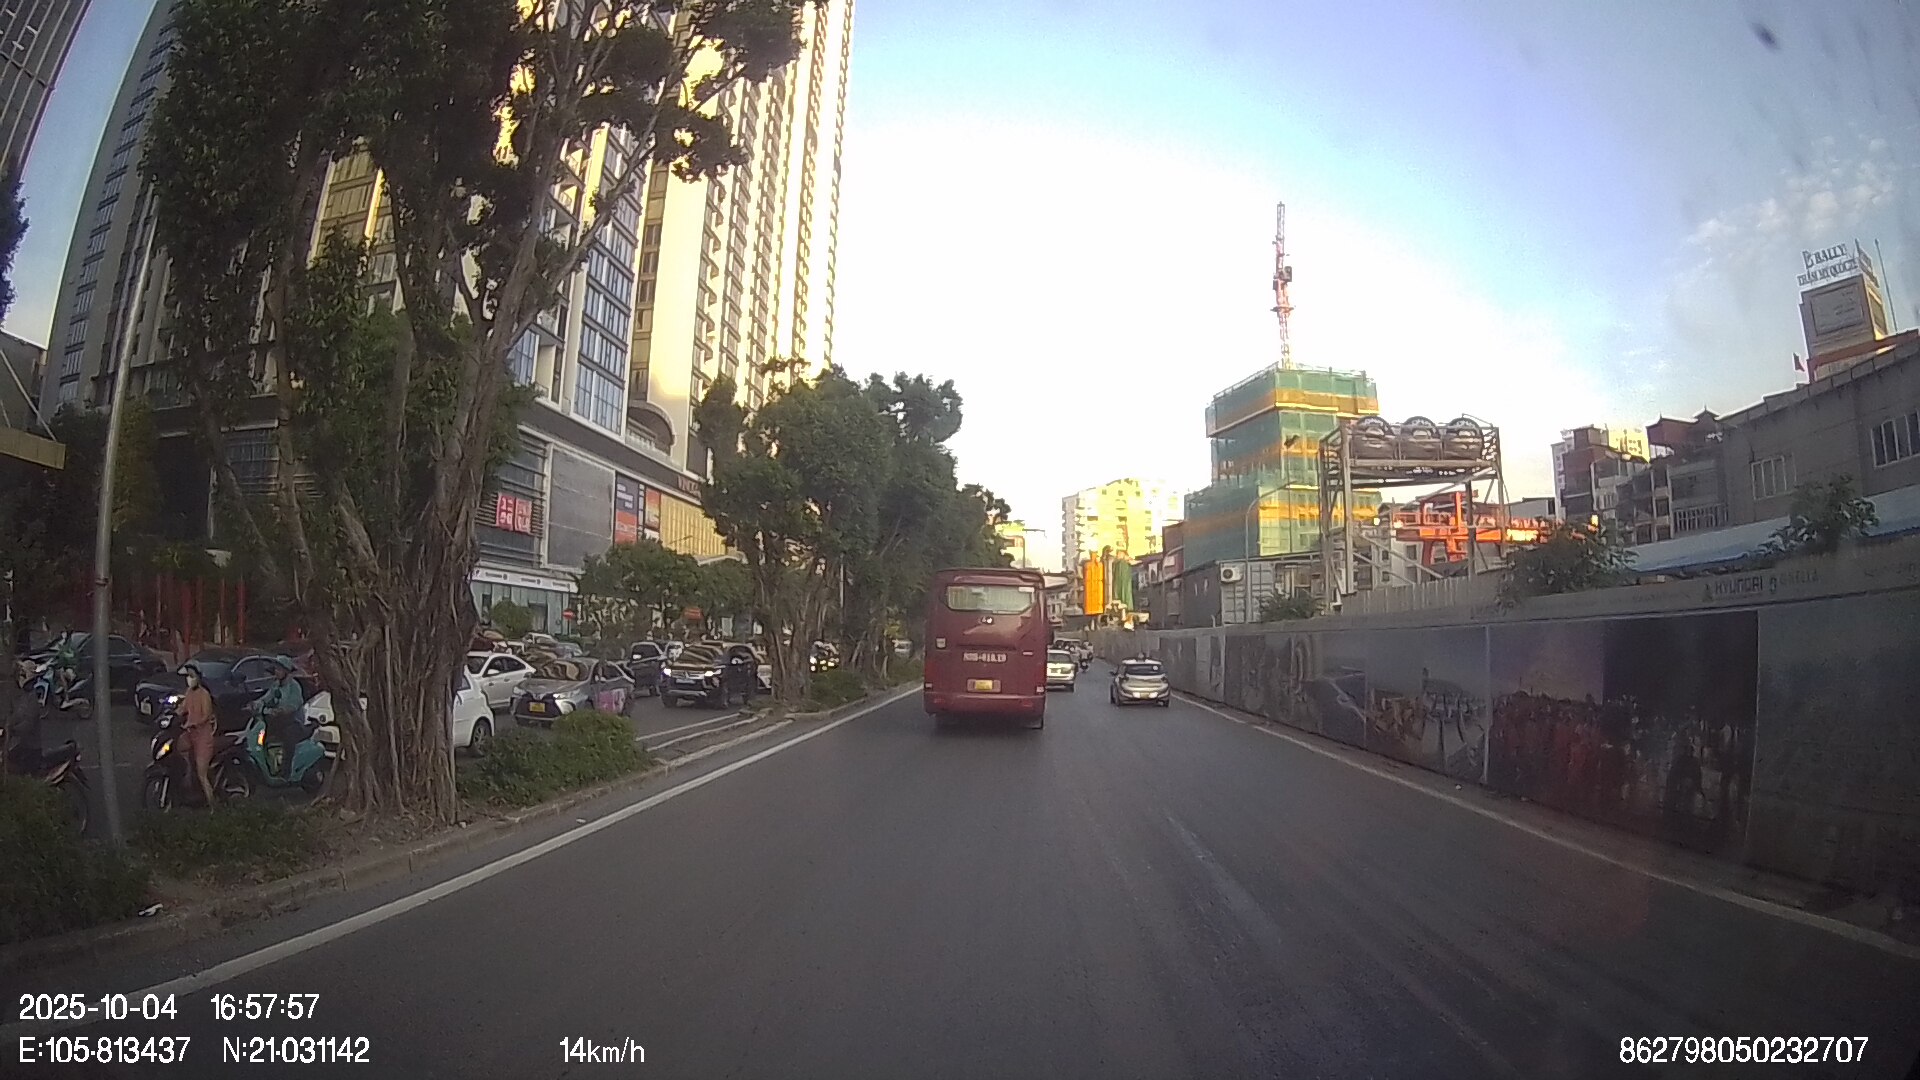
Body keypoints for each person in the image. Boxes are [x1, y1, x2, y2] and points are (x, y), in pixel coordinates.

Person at [256, 655, 308, 782]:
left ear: (286, 671)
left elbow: (294, 704)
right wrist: (254, 704)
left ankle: (286, 770)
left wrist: (284, 710)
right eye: (276, 669)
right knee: (263, 736)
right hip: (279, 721)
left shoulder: (294, 686)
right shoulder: (276, 685)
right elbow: (266, 698)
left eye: (279, 669)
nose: (276, 671)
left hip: (293, 723)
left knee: (288, 740)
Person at [177, 664, 219, 806]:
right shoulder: (189, 692)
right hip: (190, 734)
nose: (189, 679)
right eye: (187, 676)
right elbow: (183, 708)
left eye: (191, 676)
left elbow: (206, 715)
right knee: (177, 748)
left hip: (203, 738)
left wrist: (193, 723)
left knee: (202, 774)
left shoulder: (204, 695)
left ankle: (213, 805)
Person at [5, 660, 45, 775]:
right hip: (23, 745)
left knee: (18, 771)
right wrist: (8, 724)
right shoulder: (24, 695)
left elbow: (28, 724)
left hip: (31, 749)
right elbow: (18, 714)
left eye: (22, 674)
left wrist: (13, 730)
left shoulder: (32, 698)